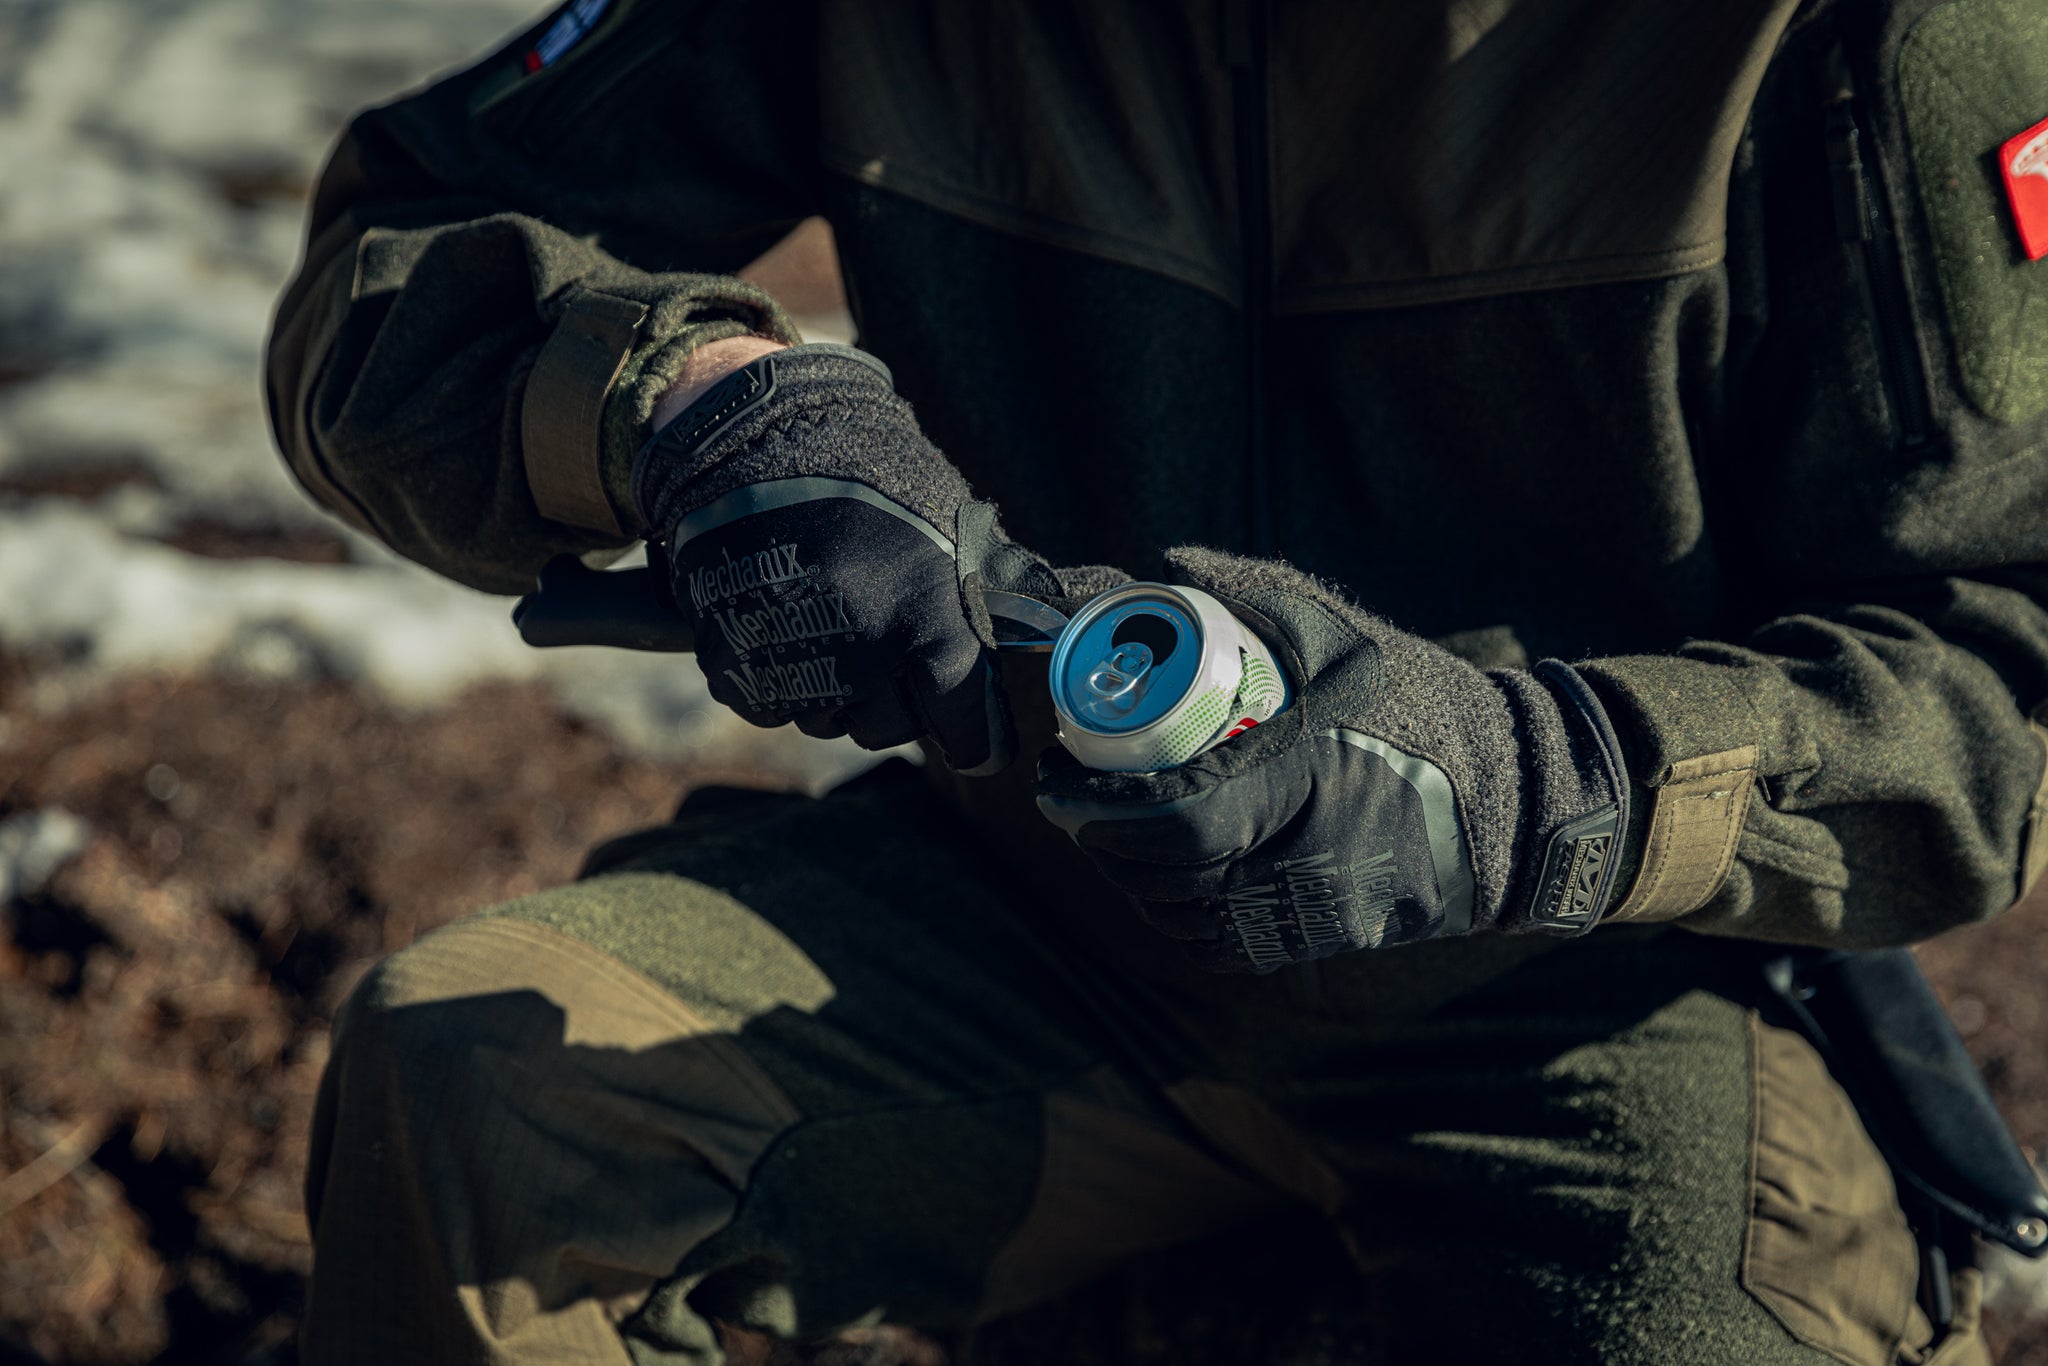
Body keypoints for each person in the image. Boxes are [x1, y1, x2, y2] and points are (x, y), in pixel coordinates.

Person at [266, 1, 2048, 1362]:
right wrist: (682, 410)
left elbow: (2005, 669)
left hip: (1589, 979)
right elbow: (390, 254)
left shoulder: (1867, 35)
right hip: (1027, 910)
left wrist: (1533, 781)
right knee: (480, 1092)